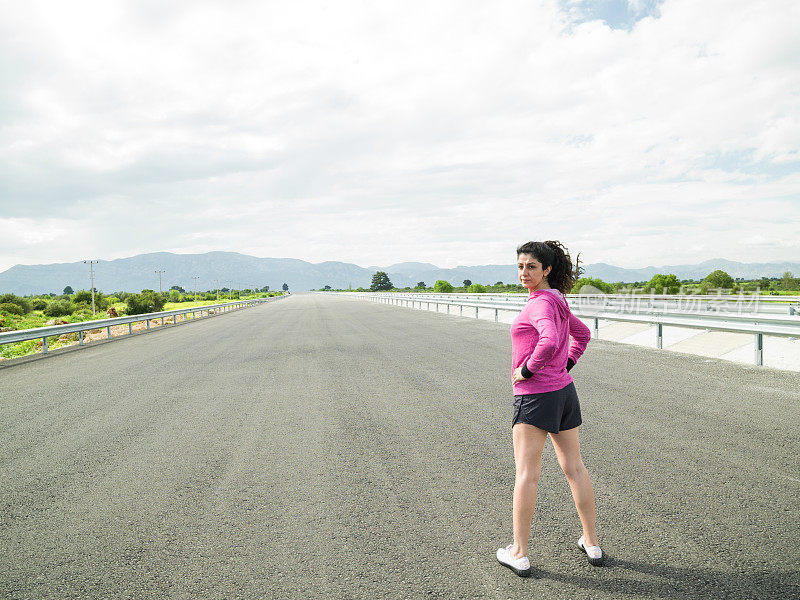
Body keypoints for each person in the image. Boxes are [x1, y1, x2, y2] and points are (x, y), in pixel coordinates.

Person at [496, 240, 605, 577]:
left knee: (527, 474)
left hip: (535, 395)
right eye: (520, 266)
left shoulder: (540, 305)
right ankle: (592, 542)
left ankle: (519, 552)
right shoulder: (558, 301)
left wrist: (527, 370)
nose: (524, 273)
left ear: (547, 270)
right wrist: (564, 367)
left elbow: (550, 341)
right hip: (563, 394)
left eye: (531, 266)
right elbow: (582, 335)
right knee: (575, 468)